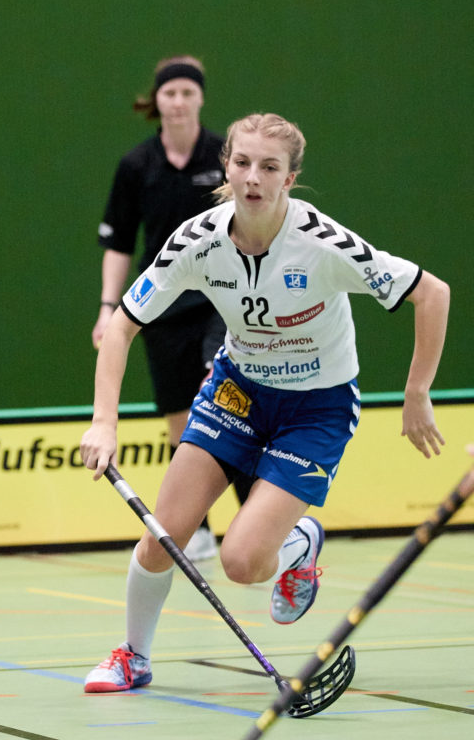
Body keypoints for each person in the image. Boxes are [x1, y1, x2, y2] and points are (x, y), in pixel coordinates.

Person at [80, 112, 449, 693]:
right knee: (163, 536)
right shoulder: (197, 240)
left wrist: (417, 391)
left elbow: (431, 293)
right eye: (243, 162)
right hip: (238, 391)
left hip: (316, 408)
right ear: (227, 166)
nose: (253, 177)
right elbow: (123, 325)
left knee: (242, 563)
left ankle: (301, 542)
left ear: (290, 179)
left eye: (269, 167)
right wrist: (105, 423)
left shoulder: (323, 244)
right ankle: (134, 656)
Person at [93, 56, 234, 562]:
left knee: (220, 396)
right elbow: (119, 243)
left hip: (220, 300)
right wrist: (110, 307)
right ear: (157, 101)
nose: (177, 101)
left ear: (199, 98)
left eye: (186, 92)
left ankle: (263, 523)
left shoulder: (226, 158)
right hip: (162, 306)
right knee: (181, 422)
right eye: (168, 93)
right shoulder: (136, 166)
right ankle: (196, 528)